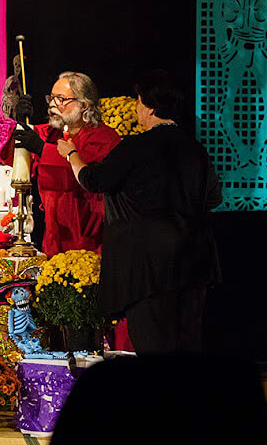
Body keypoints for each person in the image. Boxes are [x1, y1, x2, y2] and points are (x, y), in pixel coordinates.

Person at [57, 70, 220, 355]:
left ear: (150, 107)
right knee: (188, 348)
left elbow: (94, 181)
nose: (135, 108)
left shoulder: (135, 147)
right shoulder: (196, 149)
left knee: (154, 348)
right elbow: (214, 198)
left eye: (138, 101)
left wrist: (72, 155)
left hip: (149, 268)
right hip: (195, 264)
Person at [3, 71, 120, 257]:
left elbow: (84, 174)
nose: (52, 105)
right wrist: (18, 122)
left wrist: (42, 149)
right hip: (53, 238)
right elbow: (14, 158)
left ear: (84, 105)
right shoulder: (49, 133)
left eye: (61, 99)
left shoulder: (103, 137)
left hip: (89, 238)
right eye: (51, 98)